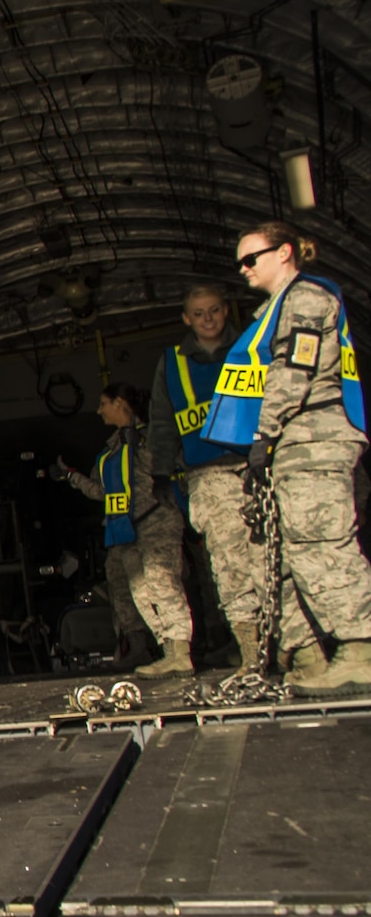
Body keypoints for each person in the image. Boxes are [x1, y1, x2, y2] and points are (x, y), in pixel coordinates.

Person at [203, 222, 371, 694]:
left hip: (313, 436)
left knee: (323, 542)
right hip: (295, 442)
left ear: (285, 253)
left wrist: (264, 431)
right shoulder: (274, 309)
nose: (243, 269)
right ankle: (320, 654)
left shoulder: (306, 300)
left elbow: (293, 372)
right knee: (297, 547)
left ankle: (361, 646)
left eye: (251, 258)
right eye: (239, 262)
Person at [147, 283, 264, 672]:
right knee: (230, 565)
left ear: (225, 311)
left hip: (258, 467)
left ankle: (294, 649)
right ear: (187, 318)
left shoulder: (251, 348)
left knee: (271, 561)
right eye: (199, 313)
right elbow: (162, 422)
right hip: (208, 475)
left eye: (214, 310)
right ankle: (252, 653)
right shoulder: (173, 362)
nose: (208, 319)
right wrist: (161, 472)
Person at [52, 382, 194, 676]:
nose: (99, 410)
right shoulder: (111, 450)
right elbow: (102, 490)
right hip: (127, 529)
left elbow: (175, 470)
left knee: (163, 583)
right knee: (139, 589)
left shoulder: (154, 435)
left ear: (119, 403)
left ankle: (181, 652)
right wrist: (71, 477)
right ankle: (163, 647)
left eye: (104, 403)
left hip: (157, 519)